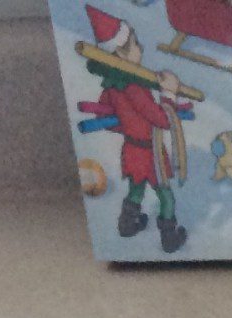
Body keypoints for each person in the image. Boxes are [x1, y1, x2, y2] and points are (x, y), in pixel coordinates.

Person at [80, 8, 194, 254]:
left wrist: (129, 125)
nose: (140, 48)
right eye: (135, 44)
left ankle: (127, 225)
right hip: (150, 153)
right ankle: (169, 238)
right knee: (166, 196)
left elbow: (108, 119)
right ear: (121, 53)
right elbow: (162, 120)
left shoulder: (112, 87)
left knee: (136, 189)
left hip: (131, 149)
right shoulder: (134, 88)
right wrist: (169, 93)